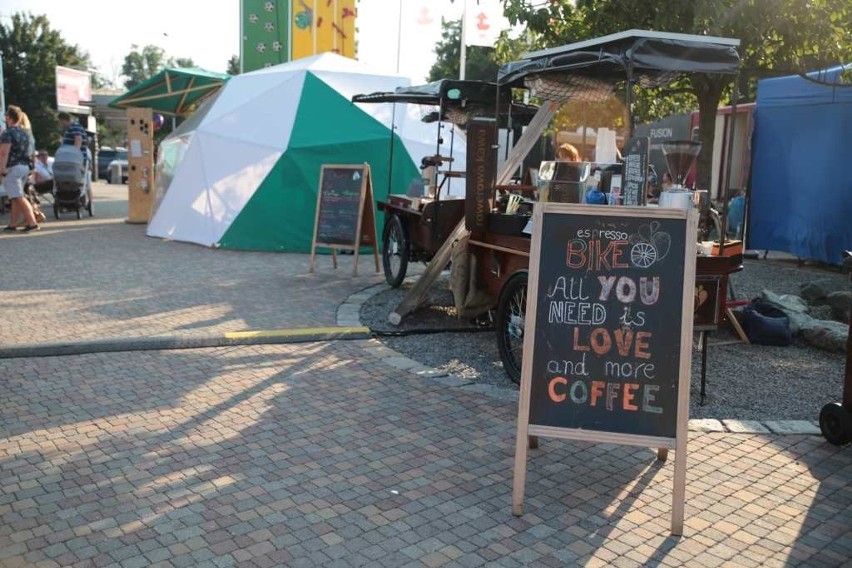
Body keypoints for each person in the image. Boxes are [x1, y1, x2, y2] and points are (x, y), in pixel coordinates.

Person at [0, 105, 40, 232]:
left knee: (18, 197)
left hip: (13, 168)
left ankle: (32, 222)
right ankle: (13, 224)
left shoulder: (8, 133)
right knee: (14, 197)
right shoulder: (24, 133)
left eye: (6, 115)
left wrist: (2, 168)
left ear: (9, 117)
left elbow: (4, 152)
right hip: (24, 167)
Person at [58, 111, 93, 203]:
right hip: (73, 159)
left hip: (76, 159)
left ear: (64, 120)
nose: (60, 124)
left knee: (80, 180)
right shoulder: (72, 128)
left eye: (60, 122)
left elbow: (78, 139)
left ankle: (85, 200)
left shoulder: (74, 127)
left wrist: (74, 153)